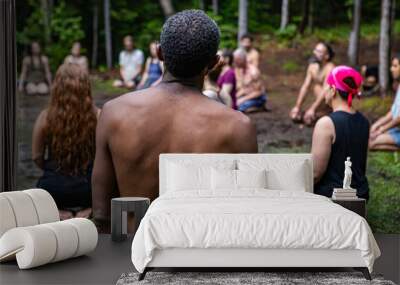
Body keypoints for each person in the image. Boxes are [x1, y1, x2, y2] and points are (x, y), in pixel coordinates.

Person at [92, 10, 258, 232]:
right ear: (215, 62)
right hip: (202, 258)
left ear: (159, 53)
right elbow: (245, 215)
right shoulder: (238, 127)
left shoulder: (114, 113)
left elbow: (102, 214)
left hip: (132, 254)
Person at [32, 64, 101, 220]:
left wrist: (53, 168)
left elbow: (37, 157)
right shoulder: (99, 116)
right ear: (86, 86)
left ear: (57, 87)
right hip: (88, 191)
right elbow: (105, 159)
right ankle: (87, 211)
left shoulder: (45, 117)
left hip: (53, 191)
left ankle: (60, 212)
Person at [312, 66, 370, 200]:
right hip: (360, 194)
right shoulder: (364, 122)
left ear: (333, 91)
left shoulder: (326, 124)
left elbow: (315, 173)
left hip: (331, 197)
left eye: (326, 87)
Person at [290, 42, 335, 126]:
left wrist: (312, 109)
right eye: (315, 50)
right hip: (321, 102)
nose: (315, 53)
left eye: (319, 52)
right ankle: (316, 114)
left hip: (331, 102)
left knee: (318, 87)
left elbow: (326, 91)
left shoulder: (330, 68)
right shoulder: (312, 66)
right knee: (295, 115)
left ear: (327, 56)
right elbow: (305, 87)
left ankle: (324, 114)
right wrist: (297, 106)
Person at [369, 54, 400, 151]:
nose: (391, 69)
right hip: (396, 129)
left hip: (398, 130)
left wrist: (382, 129)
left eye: (395, 66)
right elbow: (392, 112)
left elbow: (399, 118)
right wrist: (376, 125)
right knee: (369, 136)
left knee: (370, 142)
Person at [234, 48, 266, 113]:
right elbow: (244, 88)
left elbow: (258, 92)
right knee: (234, 104)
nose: (235, 63)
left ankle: (259, 107)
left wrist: (243, 99)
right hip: (248, 95)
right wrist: (235, 97)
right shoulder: (241, 70)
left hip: (258, 97)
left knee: (239, 107)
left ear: (242, 60)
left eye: (236, 61)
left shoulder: (253, 72)